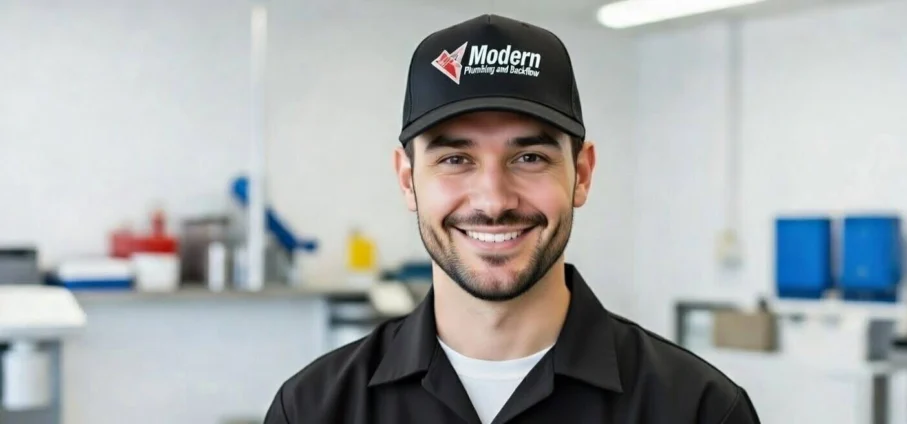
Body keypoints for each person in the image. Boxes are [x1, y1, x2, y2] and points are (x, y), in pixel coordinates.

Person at [263, 13, 761, 424]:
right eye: (455, 159)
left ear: (582, 174)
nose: (494, 199)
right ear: (407, 180)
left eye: (530, 158)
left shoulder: (699, 411)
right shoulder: (313, 410)